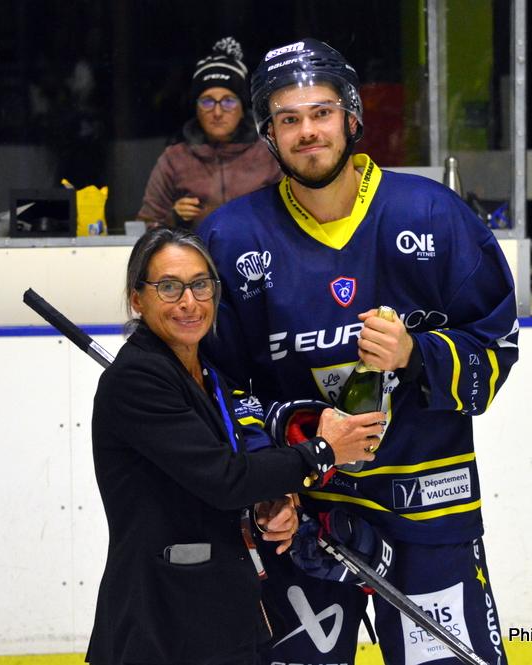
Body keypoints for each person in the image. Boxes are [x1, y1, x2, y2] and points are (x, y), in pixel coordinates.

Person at [198, 40, 520, 665]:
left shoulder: (434, 214)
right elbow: (218, 383)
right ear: (268, 134)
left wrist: (417, 354)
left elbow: (497, 346)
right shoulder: (230, 239)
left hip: (428, 509)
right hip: (299, 518)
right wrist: (267, 486)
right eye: (288, 119)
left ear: (350, 117)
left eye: (320, 113)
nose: (307, 131)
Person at [86, 227, 384, 665]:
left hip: (219, 620)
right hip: (160, 625)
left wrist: (266, 504)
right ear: (137, 299)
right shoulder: (137, 380)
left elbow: (224, 477)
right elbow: (225, 480)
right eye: (168, 287)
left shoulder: (206, 375)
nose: (189, 302)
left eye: (200, 285)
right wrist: (323, 451)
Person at [137, 37, 282, 230]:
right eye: (207, 101)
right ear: (196, 109)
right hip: (195, 249)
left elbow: (295, 215)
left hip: (258, 248)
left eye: (228, 101)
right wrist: (173, 218)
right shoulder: (174, 159)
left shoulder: (268, 154)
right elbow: (146, 225)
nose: (217, 112)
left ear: (242, 108)